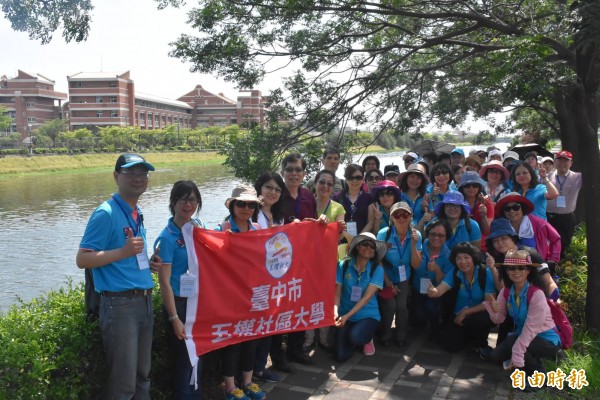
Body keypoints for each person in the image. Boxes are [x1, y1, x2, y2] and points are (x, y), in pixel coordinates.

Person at [76, 153, 156, 399]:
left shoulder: (136, 211)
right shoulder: (106, 213)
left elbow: (130, 255)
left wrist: (148, 263)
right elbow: (83, 259)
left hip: (144, 300)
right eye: (131, 173)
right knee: (123, 384)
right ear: (116, 176)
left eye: (142, 174)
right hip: (120, 304)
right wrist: (122, 252)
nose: (138, 179)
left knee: (143, 376)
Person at [215, 185, 266, 400]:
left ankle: (247, 382)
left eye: (251, 204)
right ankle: (229, 387)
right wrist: (222, 243)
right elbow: (212, 261)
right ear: (232, 205)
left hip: (253, 294)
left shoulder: (256, 229)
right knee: (231, 342)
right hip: (230, 296)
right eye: (241, 204)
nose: (246, 208)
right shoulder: (222, 228)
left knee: (251, 340)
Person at [155, 181, 205, 399]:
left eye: (193, 200)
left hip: (198, 302)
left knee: (198, 356)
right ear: (173, 202)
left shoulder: (197, 226)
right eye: (183, 200)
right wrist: (174, 317)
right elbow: (164, 283)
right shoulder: (166, 238)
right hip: (180, 304)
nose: (188, 204)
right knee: (184, 362)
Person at [484, 249, 561, 379]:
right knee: (496, 356)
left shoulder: (536, 295)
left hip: (546, 339)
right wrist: (493, 309)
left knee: (517, 347)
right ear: (506, 271)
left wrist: (517, 354)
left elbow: (531, 328)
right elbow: (499, 319)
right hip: (522, 334)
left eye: (521, 268)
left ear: (528, 271)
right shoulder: (506, 292)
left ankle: (540, 376)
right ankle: (529, 360)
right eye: (511, 268)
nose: (516, 272)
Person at [277, 154, 319, 367]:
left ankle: (295, 349)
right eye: (290, 169)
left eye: (298, 170)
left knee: (300, 304)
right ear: (283, 171)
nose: (294, 173)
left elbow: (313, 226)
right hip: (280, 263)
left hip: (303, 260)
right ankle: (278, 356)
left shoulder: (308, 196)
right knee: (279, 307)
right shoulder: (276, 195)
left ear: (304, 173)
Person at [427, 242, 496, 355]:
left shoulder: (485, 272)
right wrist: (433, 292)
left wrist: (466, 312)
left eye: (466, 257)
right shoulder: (454, 272)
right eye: (458, 258)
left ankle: (481, 342)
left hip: (477, 314)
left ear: (474, 258)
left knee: (482, 320)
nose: (463, 262)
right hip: (458, 316)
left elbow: (489, 302)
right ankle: (468, 336)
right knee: (451, 346)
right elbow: (440, 290)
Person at [252, 172, 286, 383]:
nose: (273, 193)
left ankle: (259, 367)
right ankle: (250, 369)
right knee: (256, 326)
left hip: (276, 279)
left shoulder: (280, 215)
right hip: (256, 280)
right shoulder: (251, 214)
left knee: (270, 325)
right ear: (259, 189)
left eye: (277, 189)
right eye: (269, 187)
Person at [376, 202, 422, 347]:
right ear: (392, 218)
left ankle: (401, 335)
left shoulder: (416, 235)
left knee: (402, 306)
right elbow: (378, 260)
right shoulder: (384, 233)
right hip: (386, 275)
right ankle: (385, 334)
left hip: (404, 276)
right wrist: (388, 283)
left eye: (405, 214)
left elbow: (416, 264)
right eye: (397, 214)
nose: (401, 218)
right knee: (390, 306)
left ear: (410, 217)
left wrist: (414, 244)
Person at [334, 233, 386, 362]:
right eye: (365, 244)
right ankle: (352, 334)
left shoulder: (377, 270)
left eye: (372, 246)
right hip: (345, 314)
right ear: (357, 246)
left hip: (367, 315)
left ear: (374, 252)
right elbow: (337, 293)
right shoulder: (343, 265)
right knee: (341, 356)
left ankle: (366, 337)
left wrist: (346, 316)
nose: (368, 248)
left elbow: (366, 298)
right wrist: (335, 312)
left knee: (356, 337)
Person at [485, 218, 559, 303]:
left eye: (504, 238)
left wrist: (554, 302)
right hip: (514, 307)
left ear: (513, 238)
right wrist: (492, 268)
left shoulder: (531, 254)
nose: (500, 243)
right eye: (495, 241)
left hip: (539, 303)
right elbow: (503, 289)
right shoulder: (498, 260)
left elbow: (549, 283)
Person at [410, 220, 453, 341]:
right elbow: (413, 265)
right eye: (433, 234)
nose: (436, 238)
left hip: (434, 291)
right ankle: (420, 324)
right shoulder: (420, 246)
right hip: (417, 289)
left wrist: (437, 270)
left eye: (441, 235)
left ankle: (435, 328)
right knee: (419, 316)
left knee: (431, 309)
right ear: (428, 234)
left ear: (446, 237)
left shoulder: (448, 255)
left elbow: (444, 281)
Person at [494, 193, 561, 264]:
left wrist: (552, 259)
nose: (512, 211)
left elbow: (556, 239)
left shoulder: (539, 224)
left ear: (522, 208)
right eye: (507, 208)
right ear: (503, 211)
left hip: (537, 267)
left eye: (516, 207)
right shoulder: (499, 227)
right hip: (511, 269)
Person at [546, 150, 582, 259]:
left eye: (566, 161)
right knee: (548, 242)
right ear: (555, 162)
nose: (562, 163)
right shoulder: (547, 177)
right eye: (559, 160)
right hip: (549, 215)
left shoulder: (578, 177)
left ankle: (561, 265)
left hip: (566, 217)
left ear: (571, 163)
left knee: (565, 242)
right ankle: (550, 263)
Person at [333, 164, 374, 235]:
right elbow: (334, 221)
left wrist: (358, 239)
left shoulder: (368, 198)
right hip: (341, 239)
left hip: (362, 240)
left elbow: (370, 222)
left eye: (358, 177)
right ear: (346, 179)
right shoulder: (337, 197)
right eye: (351, 177)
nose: (355, 181)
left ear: (363, 179)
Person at [457, 171, 494, 251]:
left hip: (482, 245)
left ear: (479, 187)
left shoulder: (487, 204)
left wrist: (483, 216)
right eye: (467, 185)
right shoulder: (456, 203)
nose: (471, 188)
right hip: (460, 242)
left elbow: (486, 231)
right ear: (462, 187)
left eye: (475, 185)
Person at [399, 163, 430, 227]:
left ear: (422, 180)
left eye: (418, 177)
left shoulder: (426, 195)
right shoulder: (399, 196)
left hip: (423, 233)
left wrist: (424, 209)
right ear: (406, 178)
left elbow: (432, 215)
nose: (415, 180)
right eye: (412, 176)